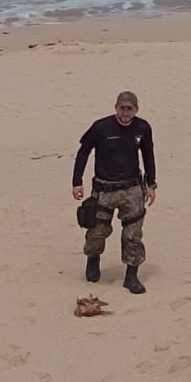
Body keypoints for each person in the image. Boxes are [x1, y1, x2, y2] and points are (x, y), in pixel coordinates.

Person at [72, 91, 157, 294]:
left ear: (136, 109)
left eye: (130, 108)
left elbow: (148, 154)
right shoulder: (101, 127)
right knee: (96, 232)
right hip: (103, 189)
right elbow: (83, 151)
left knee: (133, 235)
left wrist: (151, 184)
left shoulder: (143, 128)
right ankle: (93, 261)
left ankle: (131, 275)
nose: (126, 113)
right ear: (116, 107)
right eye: (122, 108)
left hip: (132, 189)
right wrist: (77, 182)